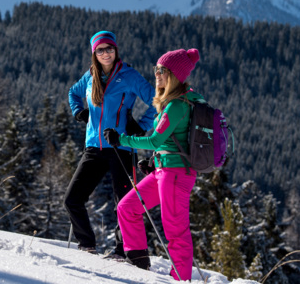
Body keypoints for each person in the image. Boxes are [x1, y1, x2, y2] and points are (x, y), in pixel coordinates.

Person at [103, 48, 201, 279]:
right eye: (156, 69)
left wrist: (121, 139)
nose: (156, 74)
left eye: (162, 70)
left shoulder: (178, 105)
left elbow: (156, 138)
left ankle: (181, 279)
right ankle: (138, 263)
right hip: (164, 170)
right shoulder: (171, 103)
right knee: (128, 207)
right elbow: (168, 140)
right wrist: (155, 160)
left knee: (176, 232)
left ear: (174, 74)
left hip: (176, 174)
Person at [66, 30, 156, 258]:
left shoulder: (129, 75)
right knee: (72, 199)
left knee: (124, 204)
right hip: (94, 148)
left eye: (110, 49)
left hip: (121, 147)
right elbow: (73, 93)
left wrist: (142, 124)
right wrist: (79, 112)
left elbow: (157, 99)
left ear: (116, 50)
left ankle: (121, 251)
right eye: (100, 50)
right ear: (94, 53)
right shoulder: (89, 77)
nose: (106, 53)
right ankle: (86, 245)